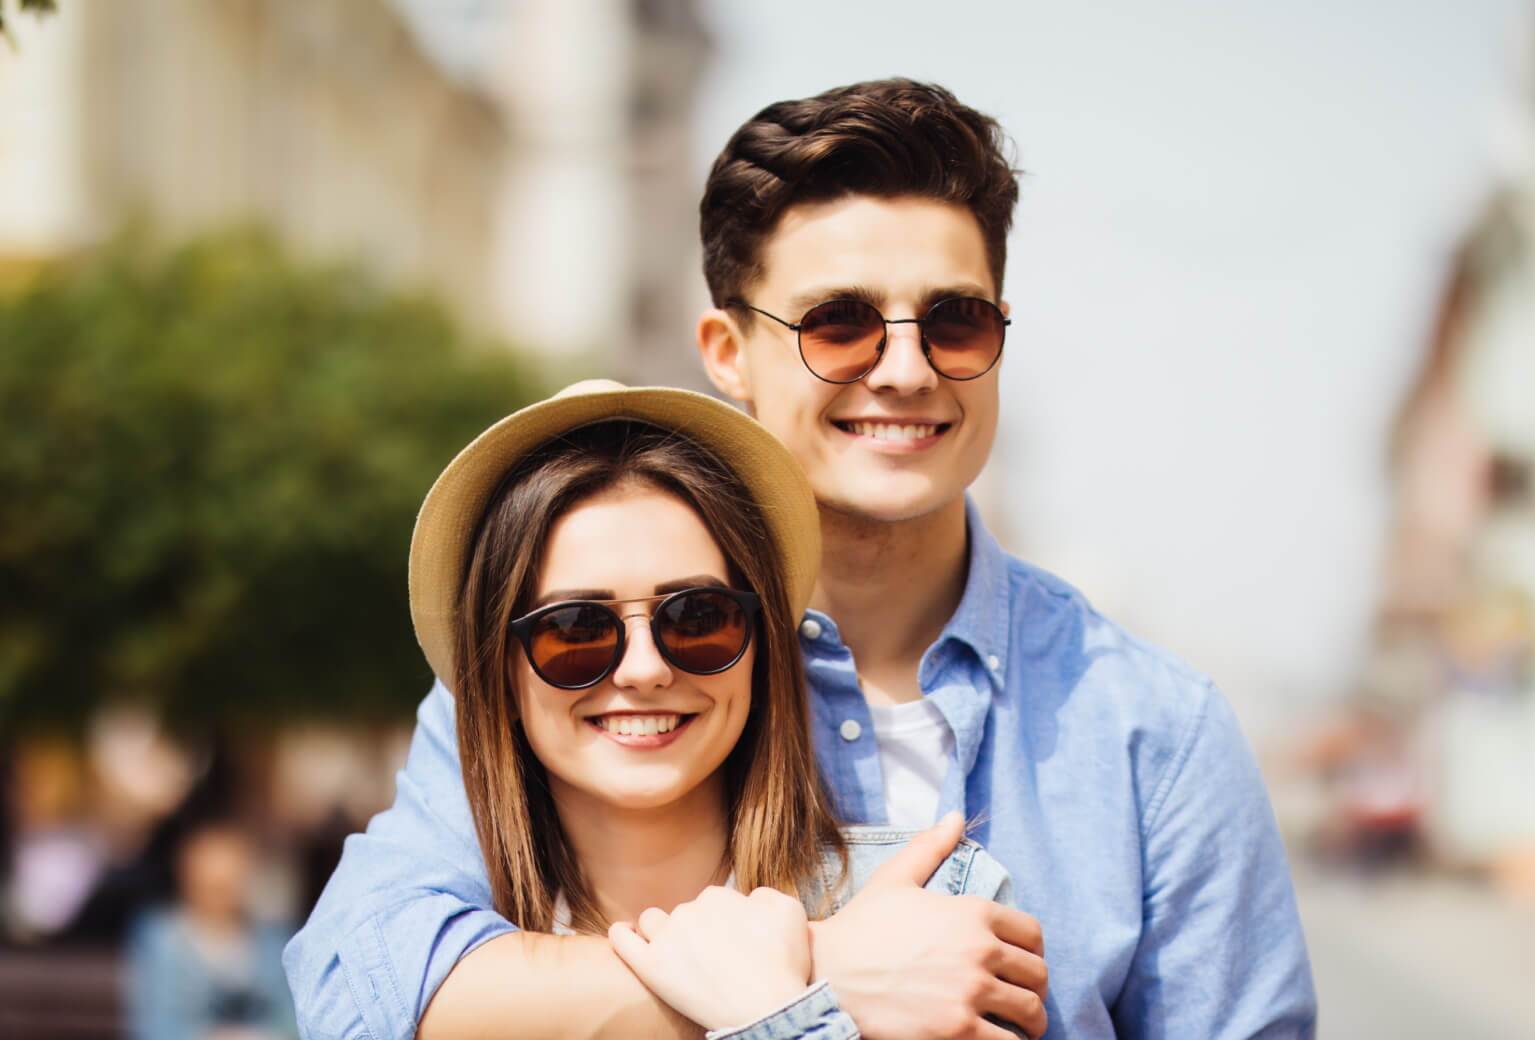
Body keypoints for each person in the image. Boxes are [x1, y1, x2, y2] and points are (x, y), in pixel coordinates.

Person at [286, 79, 1317, 1039]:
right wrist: (829, 971)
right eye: (840, 324)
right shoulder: (582, 668)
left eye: (954, 321)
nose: (904, 370)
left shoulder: (1155, 731)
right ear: (727, 352)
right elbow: (356, 986)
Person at [402, 381, 1023, 1037]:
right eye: (576, 629)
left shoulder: (936, 920)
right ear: (502, 679)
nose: (644, 669)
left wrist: (775, 1012)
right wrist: (812, 978)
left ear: (760, 649)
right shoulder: (426, 969)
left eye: (698, 618)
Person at [127, 820, 296, 1040]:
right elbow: (157, 1027)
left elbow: (291, 1022)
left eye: (227, 885)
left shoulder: (272, 941)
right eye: (212, 886)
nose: (220, 896)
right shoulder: (163, 939)